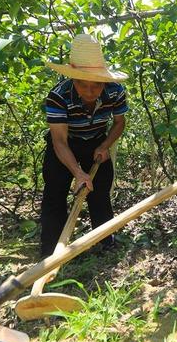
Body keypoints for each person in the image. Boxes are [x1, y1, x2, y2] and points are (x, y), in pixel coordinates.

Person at [40, 34, 128, 257]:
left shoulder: (115, 92)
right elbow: (59, 141)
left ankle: (105, 242)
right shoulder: (58, 97)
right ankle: (50, 252)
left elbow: (119, 122)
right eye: (83, 85)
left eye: (96, 86)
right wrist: (78, 172)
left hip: (97, 140)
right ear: (73, 81)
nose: (90, 92)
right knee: (55, 193)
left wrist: (105, 145)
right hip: (65, 144)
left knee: (99, 193)